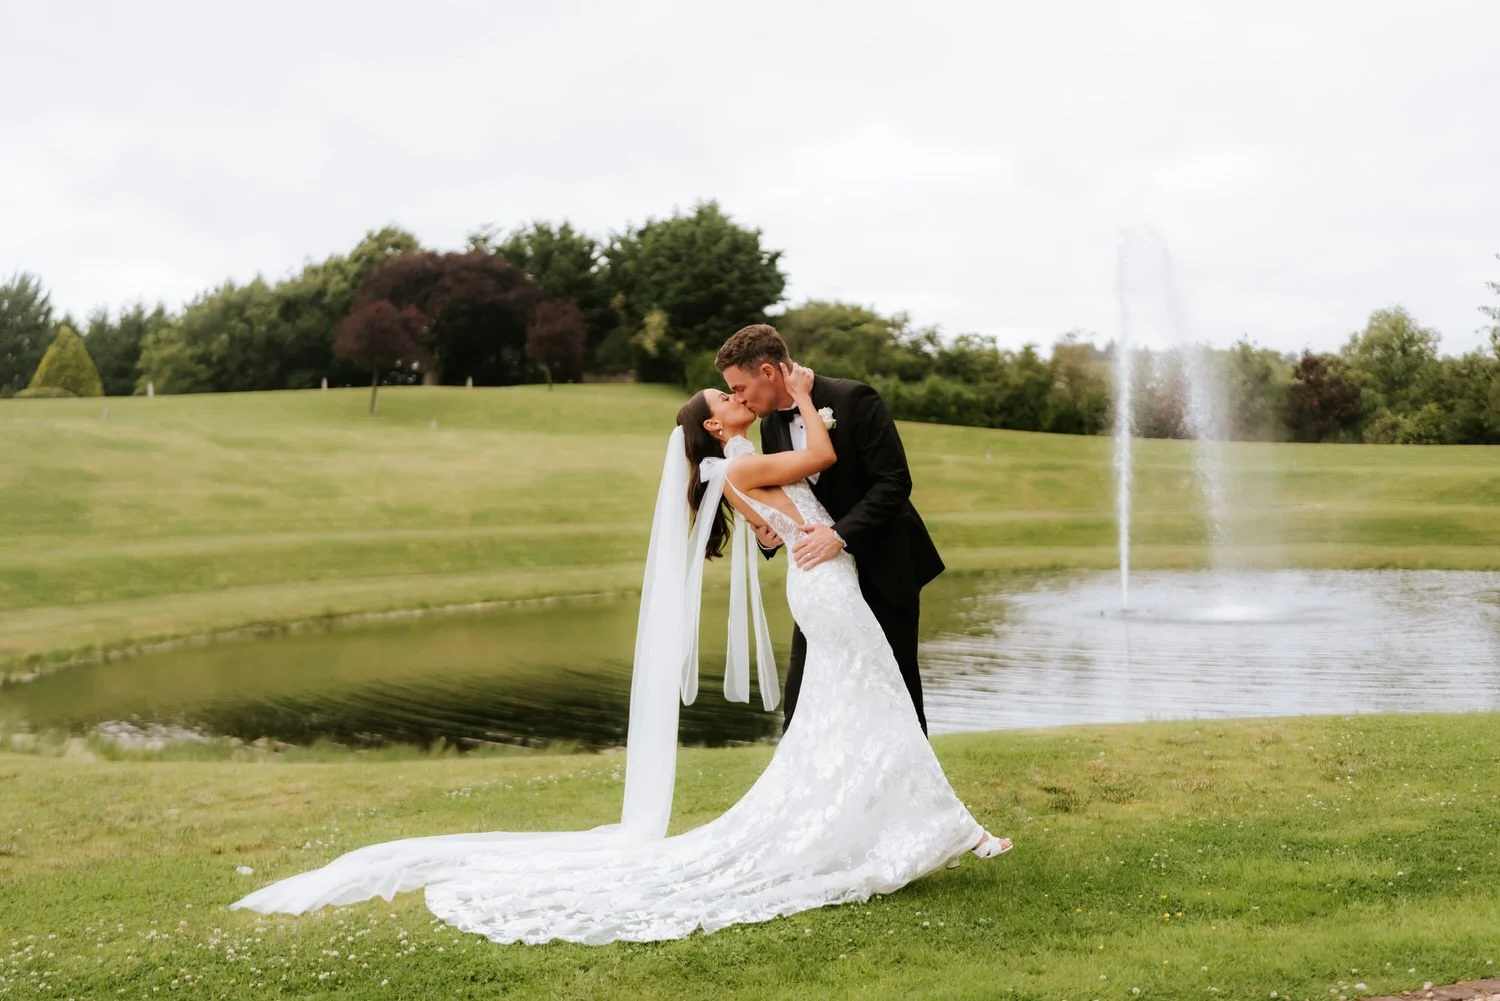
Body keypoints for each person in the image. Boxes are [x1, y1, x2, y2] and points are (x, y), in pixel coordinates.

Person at [230, 364, 1010, 945]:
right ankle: (950, 828)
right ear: (714, 426)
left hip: (824, 583)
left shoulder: (724, 465)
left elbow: (779, 517)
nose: (737, 400)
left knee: (856, 708)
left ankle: (902, 824)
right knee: (880, 699)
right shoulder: (738, 458)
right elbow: (820, 465)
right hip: (831, 586)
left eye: (739, 390)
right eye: (726, 400)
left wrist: (780, 524)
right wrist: (805, 400)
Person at [716, 324, 942, 734]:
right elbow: (791, 497)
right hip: (824, 579)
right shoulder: (770, 425)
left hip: (883, 561)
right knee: (801, 691)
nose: (740, 398)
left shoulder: (854, 399)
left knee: (897, 684)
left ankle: (916, 793)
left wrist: (839, 535)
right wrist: (771, 535)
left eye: (740, 386)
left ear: (768, 372)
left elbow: (894, 482)